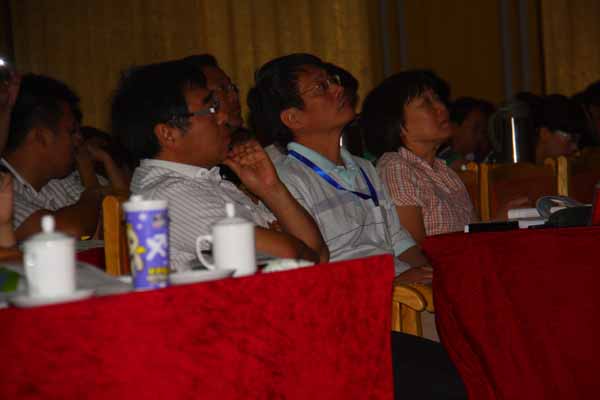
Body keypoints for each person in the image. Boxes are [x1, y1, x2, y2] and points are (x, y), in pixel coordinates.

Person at [112, 59, 328, 271]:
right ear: (168, 134)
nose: (224, 116)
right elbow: (293, 254)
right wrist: (284, 239)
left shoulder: (207, 179)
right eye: (211, 109)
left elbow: (318, 254)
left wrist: (271, 189)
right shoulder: (168, 195)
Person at [248, 53, 430, 281]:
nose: (338, 89)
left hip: (400, 286)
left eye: (332, 80)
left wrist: (431, 275)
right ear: (294, 118)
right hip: (360, 292)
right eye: (321, 87)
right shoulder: (285, 182)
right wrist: (395, 283)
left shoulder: (364, 168)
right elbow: (315, 270)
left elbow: (399, 240)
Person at [2, 74, 127, 240]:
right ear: (41, 137)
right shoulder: (5, 187)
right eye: (71, 131)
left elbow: (124, 211)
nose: (79, 139)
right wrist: (93, 194)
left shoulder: (60, 181)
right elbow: (71, 230)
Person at [361, 71, 478, 242]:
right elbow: (414, 248)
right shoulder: (396, 167)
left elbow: (472, 237)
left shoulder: (445, 172)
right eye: (426, 103)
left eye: (437, 98)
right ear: (398, 124)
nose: (441, 107)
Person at [438, 97, 495, 169]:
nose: (480, 136)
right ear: (454, 128)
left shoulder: (476, 156)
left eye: (483, 131)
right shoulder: (446, 160)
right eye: (475, 128)